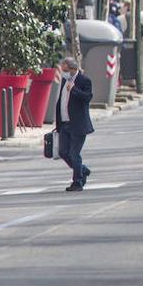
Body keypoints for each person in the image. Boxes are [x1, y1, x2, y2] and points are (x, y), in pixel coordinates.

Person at [54, 56, 95, 191]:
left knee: (74, 153)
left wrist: (74, 90)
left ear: (72, 69)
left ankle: (77, 182)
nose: (63, 72)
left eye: (65, 69)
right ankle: (83, 170)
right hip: (65, 124)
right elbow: (62, 102)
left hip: (77, 124)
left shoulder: (84, 80)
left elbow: (88, 97)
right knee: (63, 152)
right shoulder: (64, 81)